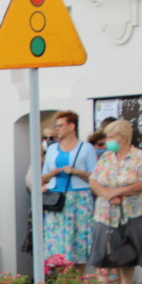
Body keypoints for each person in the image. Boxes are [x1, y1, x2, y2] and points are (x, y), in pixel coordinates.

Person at [89, 119, 142, 284]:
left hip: (131, 213)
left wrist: (119, 192)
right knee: (101, 253)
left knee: (126, 252)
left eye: (111, 137)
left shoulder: (139, 156)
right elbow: (94, 180)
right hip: (105, 213)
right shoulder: (106, 157)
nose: (108, 140)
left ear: (123, 138)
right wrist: (107, 194)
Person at [37, 112, 96, 267]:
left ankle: (77, 281)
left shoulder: (86, 148)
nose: (57, 129)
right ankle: (62, 281)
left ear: (71, 126)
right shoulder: (52, 149)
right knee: (57, 242)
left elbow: (95, 176)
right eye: (56, 126)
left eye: (60, 126)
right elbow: (42, 178)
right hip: (57, 200)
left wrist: (77, 172)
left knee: (79, 240)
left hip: (80, 199)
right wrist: (51, 174)